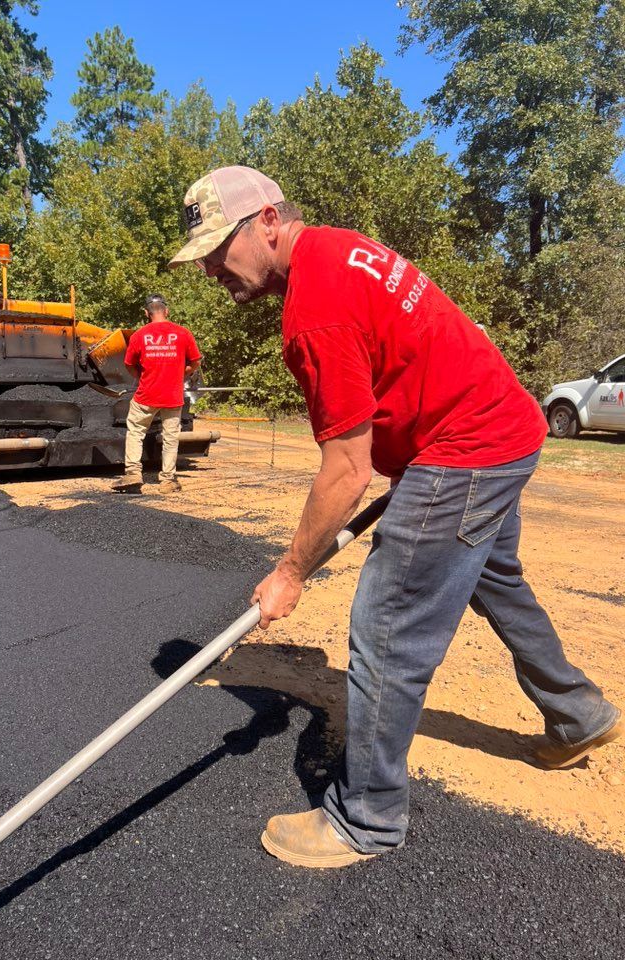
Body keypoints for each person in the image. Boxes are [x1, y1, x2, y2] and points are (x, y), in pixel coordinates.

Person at [169, 166, 622, 868]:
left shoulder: (313, 309)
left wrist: (292, 571)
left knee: (387, 628)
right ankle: (579, 714)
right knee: (495, 581)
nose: (210, 271)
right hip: (505, 426)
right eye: (199, 258)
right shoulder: (337, 247)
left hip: (464, 448)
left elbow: (347, 470)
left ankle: (366, 818)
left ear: (265, 221)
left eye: (217, 250)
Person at [113, 294, 201, 495]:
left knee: (135, 431)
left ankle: (133, 474)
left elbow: (129, 365)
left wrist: (141, 377)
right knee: (171, 437)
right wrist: (181, 374)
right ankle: (168, 480)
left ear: (146, 313)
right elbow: (195, 362)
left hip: (146, 395)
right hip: (172, 395)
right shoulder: (183, 333)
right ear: (166, 311)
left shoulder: (139, 335)